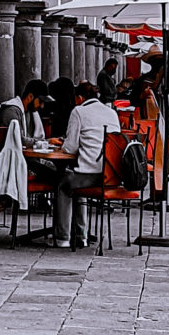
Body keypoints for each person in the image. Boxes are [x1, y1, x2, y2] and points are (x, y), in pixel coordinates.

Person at [53, 81, 121, 249]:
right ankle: (81, 236)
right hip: (111, 175)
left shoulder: (79, 111)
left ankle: (63, 237)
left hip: (89, 175)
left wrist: (64, 142)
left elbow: (70, 147)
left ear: (80, 98)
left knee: (64, 185)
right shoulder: (112, 113)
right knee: (76, 184)